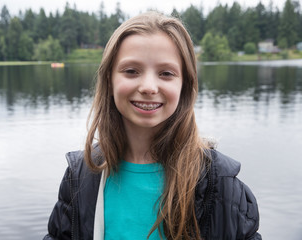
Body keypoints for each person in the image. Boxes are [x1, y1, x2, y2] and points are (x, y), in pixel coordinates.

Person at [43, 12, 261, 240]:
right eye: (131, 71)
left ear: (184, 84)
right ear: (109, 79)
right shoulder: (80, 177)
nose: (148, 87)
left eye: (166, 73)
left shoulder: (220, 184)